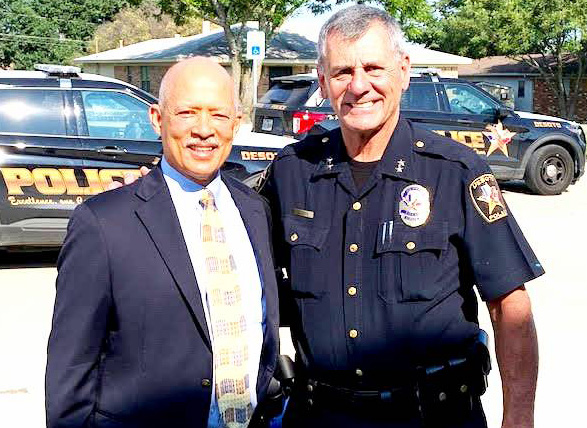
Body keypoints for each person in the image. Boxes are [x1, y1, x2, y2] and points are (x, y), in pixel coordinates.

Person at [261, 5, 542, 428]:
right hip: (320, 415)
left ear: (404, 71)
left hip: (433, 415)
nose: (359, 86)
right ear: (323, 82)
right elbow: (236, 264)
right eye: (342, 73)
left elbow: (510, 306)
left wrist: (518, 419)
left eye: (374, 68)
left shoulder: (456, 172)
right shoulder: (291, 172)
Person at [45, 57, 279, 428]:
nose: (204, 129)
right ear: (157, 119)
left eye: (219, 116)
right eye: (187, 112)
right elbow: (71, 368)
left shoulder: (254, 210)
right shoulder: (103, 223)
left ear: (236, 124)